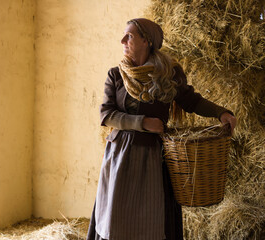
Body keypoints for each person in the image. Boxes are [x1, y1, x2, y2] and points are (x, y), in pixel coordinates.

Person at [86, 18, 237, 240]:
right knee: (116, 218)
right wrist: (143, 122)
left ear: (146, 41)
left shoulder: (168, 74)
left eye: (129, 36)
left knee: (153, 220)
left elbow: (192, 101)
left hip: (154, 158)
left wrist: (221, 112)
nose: (123, 41)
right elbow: (106, 115)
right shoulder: (116, 75)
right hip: (120, 158)